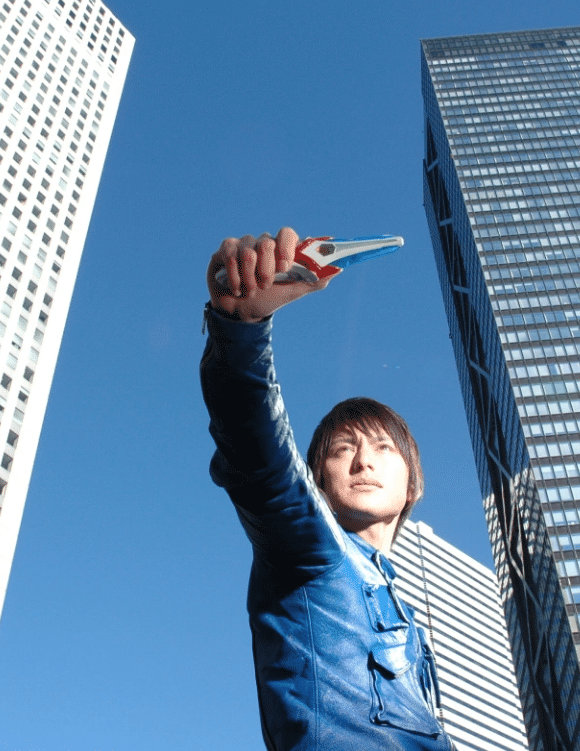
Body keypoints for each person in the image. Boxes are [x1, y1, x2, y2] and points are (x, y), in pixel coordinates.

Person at [200, 229, 456, 751]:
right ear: (317, 481)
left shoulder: (409, 618)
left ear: (413, 484)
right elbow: (260, 458)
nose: (363, 460)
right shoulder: (312, 551)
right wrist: (241, 328)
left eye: (383, 448)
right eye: (342, 449)